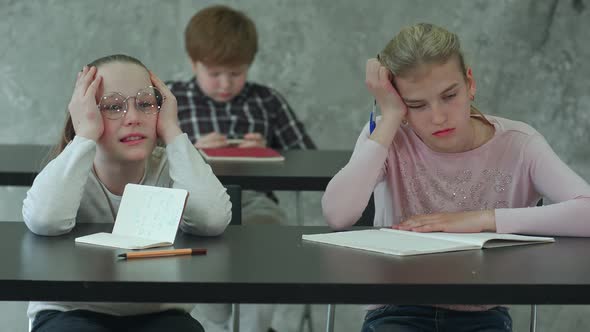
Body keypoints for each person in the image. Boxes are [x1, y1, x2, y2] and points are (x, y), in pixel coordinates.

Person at [322, 23, 590, 332]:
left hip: (482, 313)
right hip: (397, 309)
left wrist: (482, 219)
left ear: (470, 83)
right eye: (416, 104)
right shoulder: (390, 136)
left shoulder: (519, 144)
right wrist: (391, 117)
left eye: (449, 96)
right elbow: (337, 214)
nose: (437, 116)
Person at [23, 54, 232, 332]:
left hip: (160, 314)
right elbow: (44, 220)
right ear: (86, 112)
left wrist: (171, 130)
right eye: (113, 106)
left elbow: (212, 220)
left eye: (146, 104)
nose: (133, 117)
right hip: (71, 310)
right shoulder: (69, 170)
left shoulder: (177, 166)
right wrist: (84, 134)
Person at [167, 5, 315, 332]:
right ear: (194, 63)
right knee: (188, 252)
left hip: (254, 203)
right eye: (215, 73)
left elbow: (309, 157)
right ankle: (218, 316)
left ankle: (250, 327)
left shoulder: (266, 101)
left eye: (236, 73)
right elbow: (142, 158)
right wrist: (187, 149)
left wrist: (269, 150)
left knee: (270, 247)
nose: (225, 83)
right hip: (188, 205)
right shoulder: (171, 98)